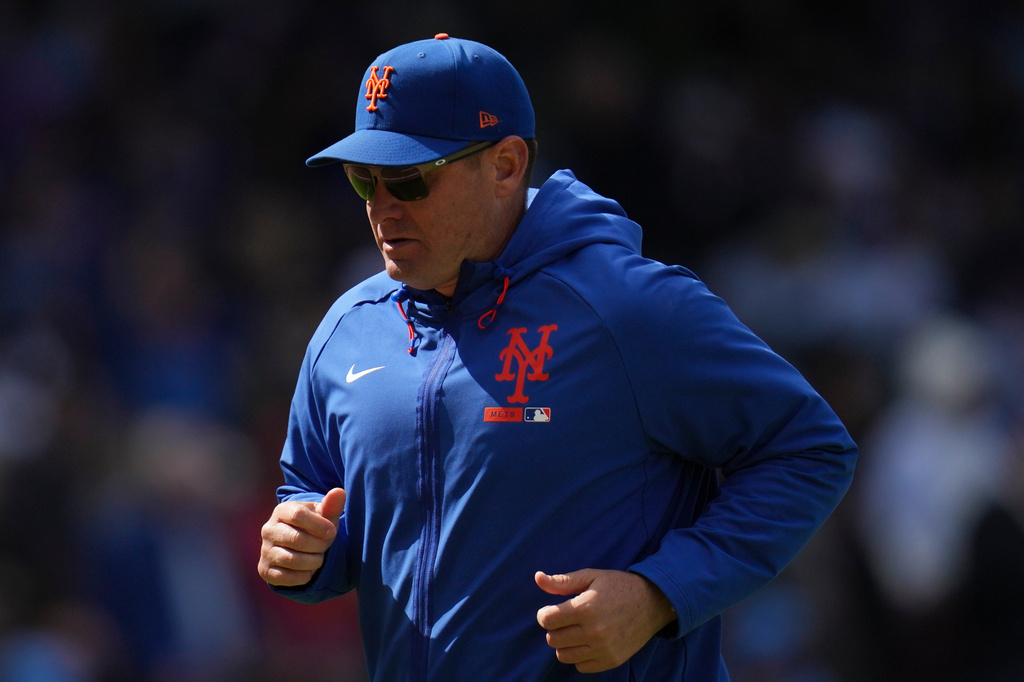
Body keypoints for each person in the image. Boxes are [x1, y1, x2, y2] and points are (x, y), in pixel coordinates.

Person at [257, 33, 857, 681]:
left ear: (507, 166)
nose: (381, 208)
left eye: (408, 179)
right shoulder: (347, 331)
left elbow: (808, 450)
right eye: (363, 180)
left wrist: (660, 592)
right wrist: (302, 552)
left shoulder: (627, 306)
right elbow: (318, 504)